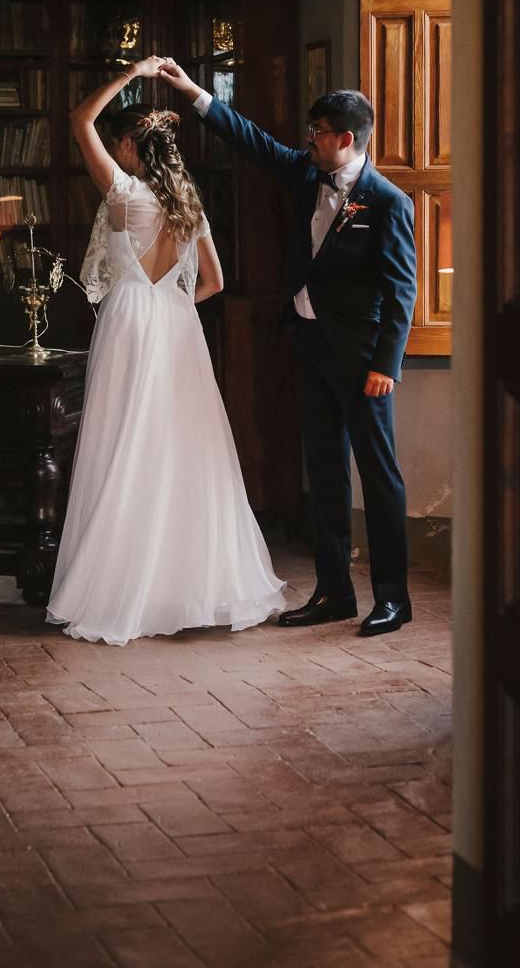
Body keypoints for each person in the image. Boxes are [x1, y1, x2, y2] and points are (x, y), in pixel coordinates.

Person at [158, 61, 417, 637]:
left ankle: (393, 599)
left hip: (362, 359)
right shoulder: (305, 174)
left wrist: (386, 365)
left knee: (379, 477)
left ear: (346, 139)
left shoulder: (389, 202)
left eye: (318, 131)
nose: (309, 139)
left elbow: (402, 291)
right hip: (309, 346)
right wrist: (195, 95)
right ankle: (333, 592)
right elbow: (251, 141)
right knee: (323, 473)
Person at [46, 55, 286, 646]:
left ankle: (122, 583)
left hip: (130, 320)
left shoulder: (125, 194)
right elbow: (215, 283)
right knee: (180, 447)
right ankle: (188, 583)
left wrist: (130, 76)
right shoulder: (189, 204)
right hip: (178, 326)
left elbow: (80, 121)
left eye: (120, 142)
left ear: (129, 146)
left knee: (123, 439)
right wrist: (173, 308)